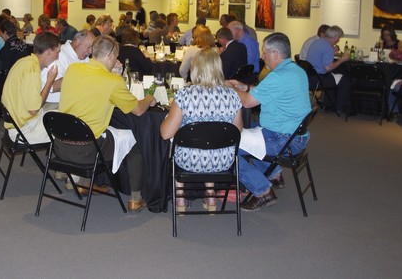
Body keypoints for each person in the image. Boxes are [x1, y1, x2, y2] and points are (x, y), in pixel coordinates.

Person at [58, 35, 157, 213]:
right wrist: (149, 98)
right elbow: (138, 110)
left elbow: (91, 84)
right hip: (87, 150)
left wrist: (110, 73)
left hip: (60, 145)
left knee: (93, 129)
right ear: (111, 55)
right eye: (116, 57)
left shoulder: (73, 69)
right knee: (135, 139)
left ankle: (83, 183)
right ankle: (135, 199)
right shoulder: (113, 82)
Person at [228, 32, 311, 211]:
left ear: (275, 54)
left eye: (264, 52)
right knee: (251, 130)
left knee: (226, 148)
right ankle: (274, 175)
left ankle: (262, 191)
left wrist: (230, 88)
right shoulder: (296, 71)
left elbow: (247, 102)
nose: (262, 56)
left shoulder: (277, 77)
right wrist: (246, 87)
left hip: (282, 140)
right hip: (296, 136)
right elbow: (269, 92)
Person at [160, 48, 243, 212]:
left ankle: (181, 200)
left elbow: (165, 134)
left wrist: (166, 120)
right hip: (223, 161)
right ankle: (211, 196)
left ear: (195, 69)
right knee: (211, 141)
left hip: (189, 159)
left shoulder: (184, 96)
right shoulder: (233, 96)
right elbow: (237, 131)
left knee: (178, 143)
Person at [1, 32, 60, 145]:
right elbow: (33, 110)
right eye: (57, 53)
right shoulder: (32, 71)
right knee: (68, 129)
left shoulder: (24, 61)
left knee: (60, 114)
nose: (57, 56)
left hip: (17, 122)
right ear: (48, 52)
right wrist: (49, 82)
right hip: (23, 129)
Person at [40, 30, 94, 105]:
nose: (90, 51)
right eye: (89, 47)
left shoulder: (84, 57)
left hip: (75, 102)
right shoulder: (59, 54)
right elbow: (53, 86)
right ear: (77, 42)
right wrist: (82, 76)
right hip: (54, 104)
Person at [306, 25, 350, 115]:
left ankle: (328, 104)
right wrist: (341, 60)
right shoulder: (327, 47)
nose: (338, 40)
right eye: (339, 38)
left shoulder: (317, 42)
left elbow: (320, 57)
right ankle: (339, 108)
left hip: (309, 77)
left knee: (335, 76)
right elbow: (328, 68)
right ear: (335, 37)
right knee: (345, 81)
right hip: (319, 79)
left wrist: (332, 51)